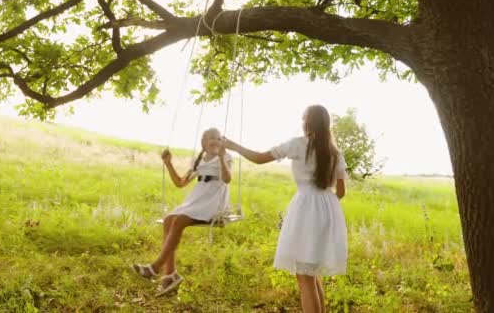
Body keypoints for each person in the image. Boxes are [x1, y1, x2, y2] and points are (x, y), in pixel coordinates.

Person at [223, 105, 347, 313]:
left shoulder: (298, 144)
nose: (302, 122)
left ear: (308, 122)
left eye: (303, 118)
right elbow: (341, 192)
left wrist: (235, 147)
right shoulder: (335, 152)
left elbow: (261, 158)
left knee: (304, 275)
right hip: (328, 209)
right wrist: (325, 205)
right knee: (312, 272)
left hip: (306, 208)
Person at [131, 127, 232, 296]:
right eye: (211, 138)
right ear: (204, 142)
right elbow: (180, 183)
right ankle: (170, 274)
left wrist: (221, 157)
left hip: (214, 201)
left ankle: (155, 268)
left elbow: (227, 179)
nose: (215, 141)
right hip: (197, 200)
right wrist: (169, 163)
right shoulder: (198, 161)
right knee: (169, 218)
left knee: (179, 221)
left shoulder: (226, 157)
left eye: (218, 138)